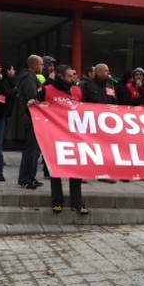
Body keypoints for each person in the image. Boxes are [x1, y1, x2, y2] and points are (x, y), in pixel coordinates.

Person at [37, 64, 88, 214]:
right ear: (60, 76)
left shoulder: (78, 91)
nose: (72, 78)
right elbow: (34, 107)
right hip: (54, 136)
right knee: (56, 169)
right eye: (69, 76)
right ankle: (57, 201)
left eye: (73, 75)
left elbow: (86, 111)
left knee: (76, 170)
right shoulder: (47, 90)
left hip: (74, 135)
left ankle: (77, 203)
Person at [81, 63, 119, 183]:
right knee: (88, 148)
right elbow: (82, 103)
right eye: (106, 71)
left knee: (105, 149)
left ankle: (103, 173)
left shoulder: (110, 86)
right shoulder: (86, 86)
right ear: (98, 72)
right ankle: (84, 173)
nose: (109, 73)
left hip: (105, 123)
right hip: (90, 121)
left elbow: (114, 102)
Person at [17, 54, 45, 189]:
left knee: (34, 150)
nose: (43, 67)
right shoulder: (29, 80)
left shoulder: (31, 78)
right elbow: (33, 99)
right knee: (31, 149)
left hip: (32, 118)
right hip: (31, 118)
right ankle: (26, 178)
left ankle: (31, 177)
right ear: (34, 65)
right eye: (41, 64)